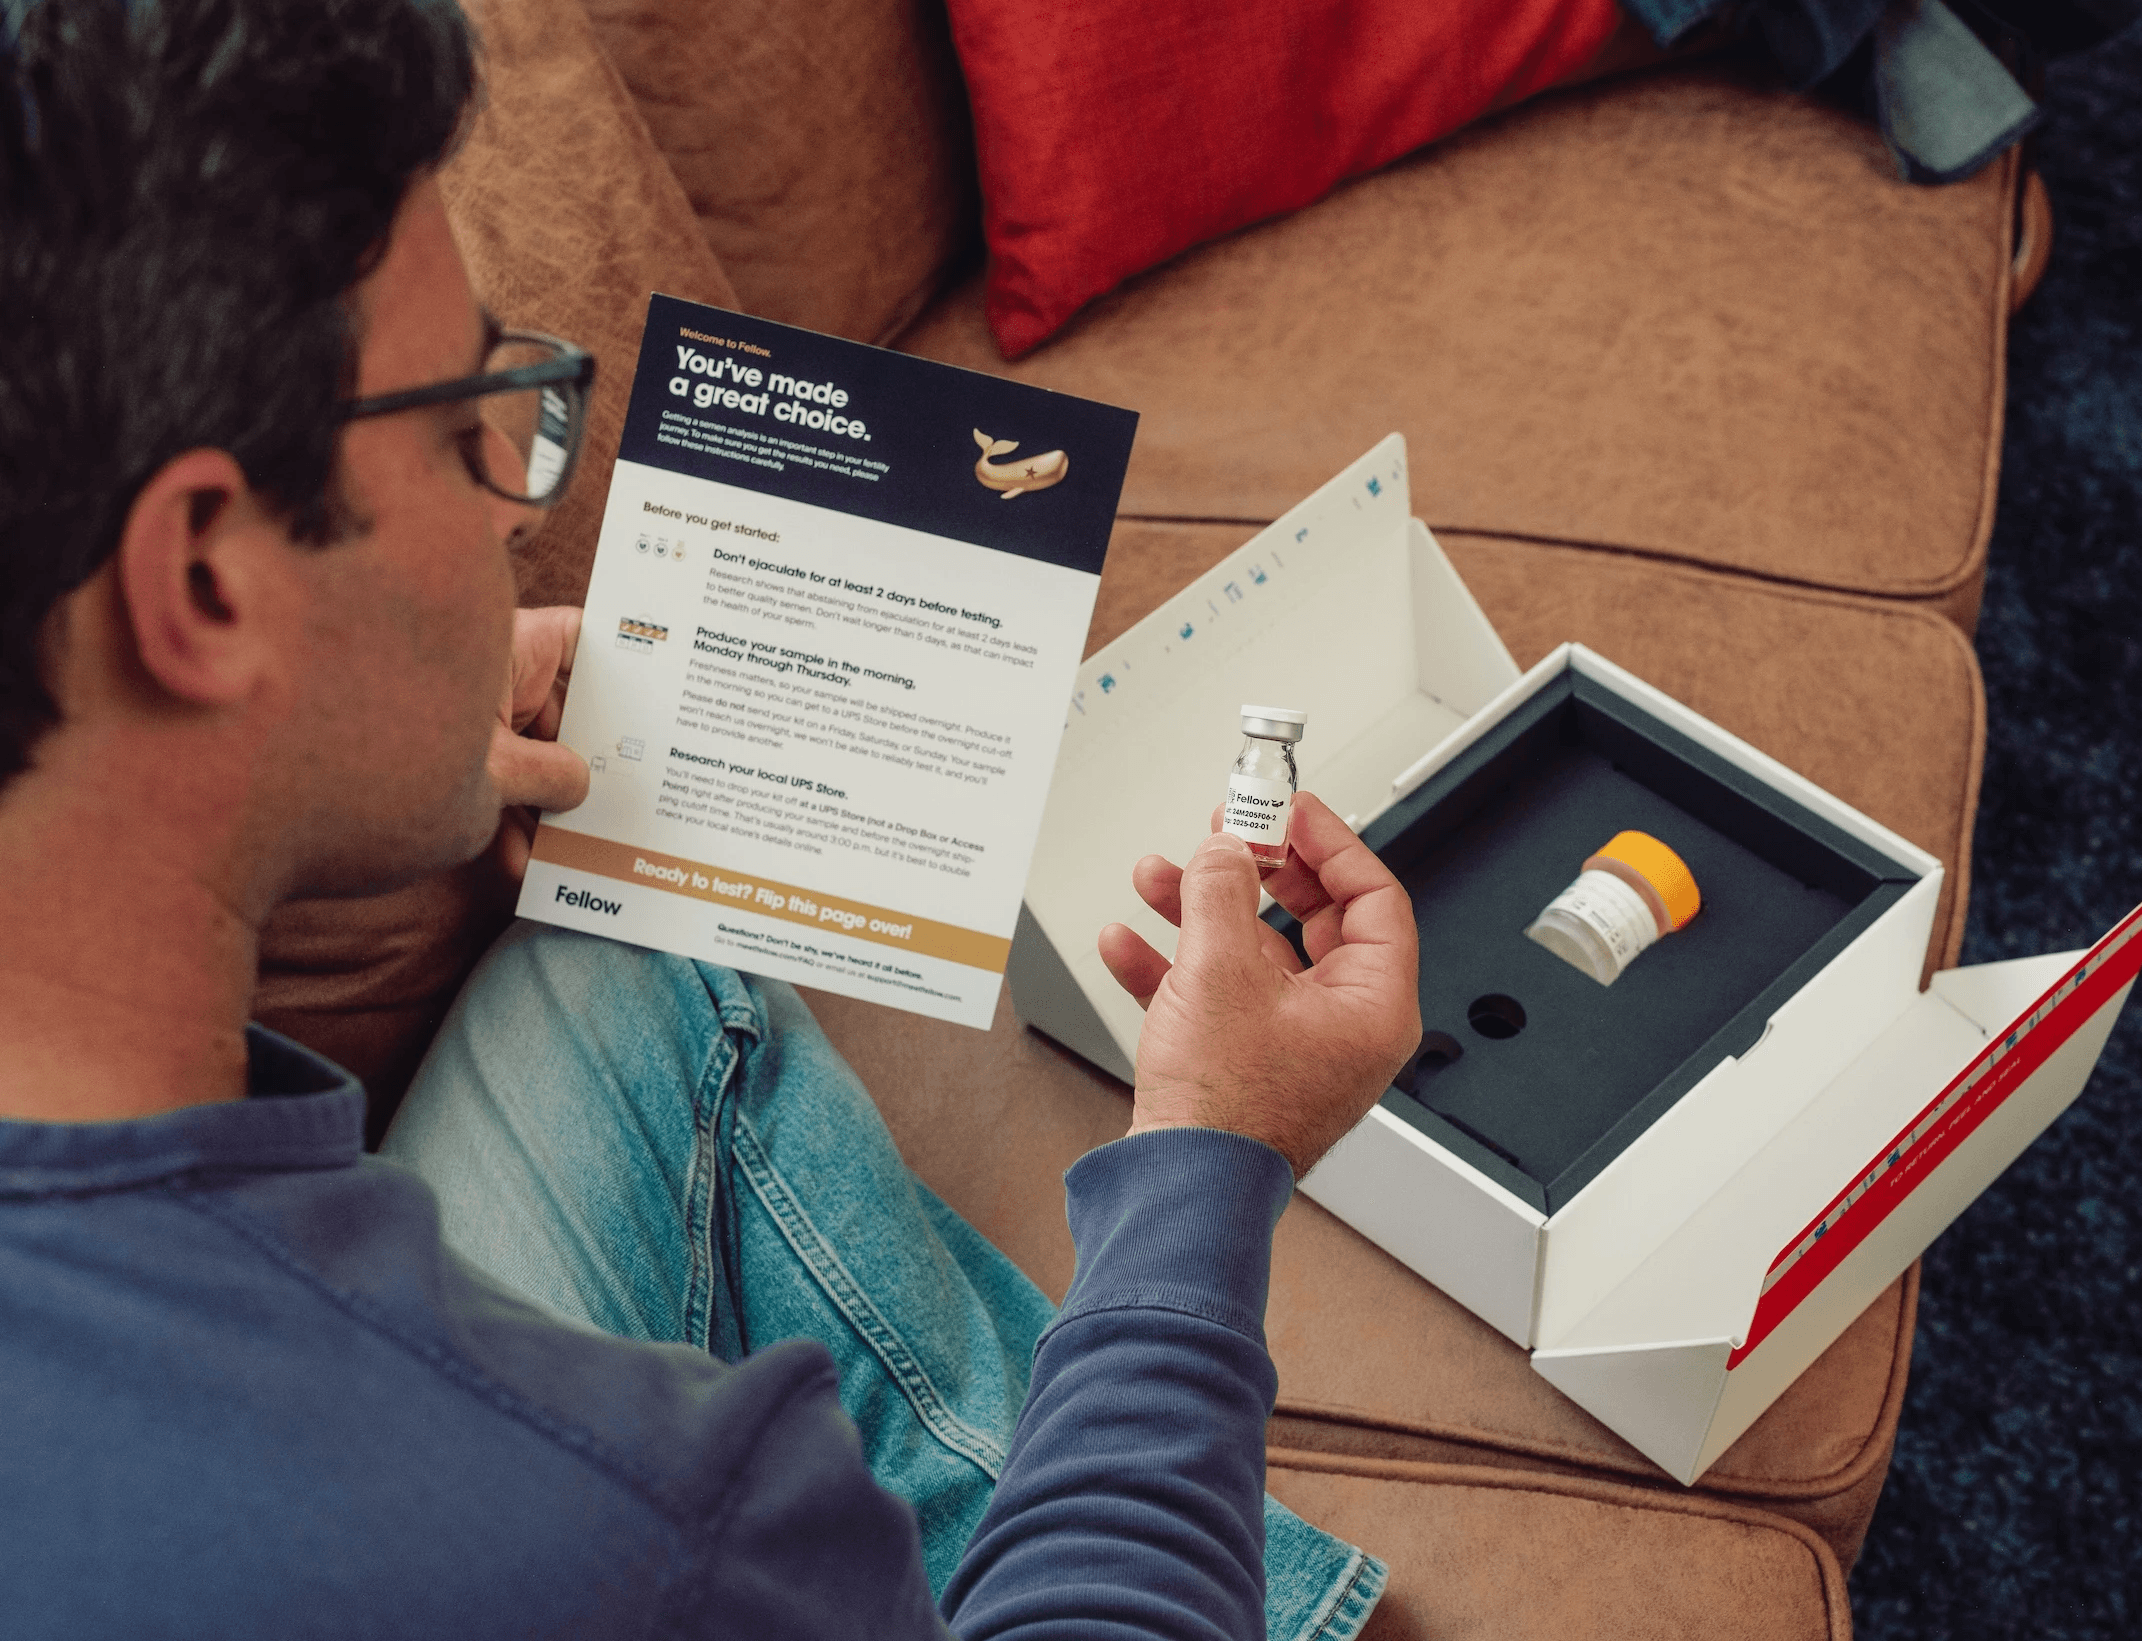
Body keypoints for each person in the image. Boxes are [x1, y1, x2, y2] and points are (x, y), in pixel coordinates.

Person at [0, 3, 1421, 1637]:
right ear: (198, 579)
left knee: (612, 969)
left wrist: (332, 745)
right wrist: (1206, 1160)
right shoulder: (646, 1523)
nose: (506, 506)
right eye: (471, 423)